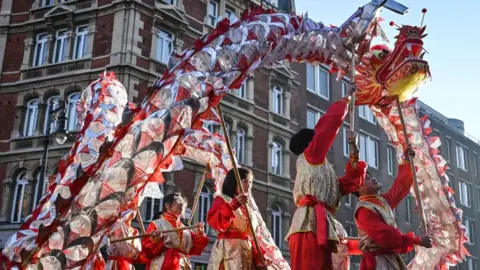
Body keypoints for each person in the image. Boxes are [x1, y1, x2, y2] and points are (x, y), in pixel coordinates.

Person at [286, 84, 368, 270]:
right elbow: (328, 127)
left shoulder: (321, 169)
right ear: (310, 143)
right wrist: (345, 100)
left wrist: (353, 150)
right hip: (308, 226)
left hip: (320, 225)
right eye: (316, 139)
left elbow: (350, 183)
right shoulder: (311, 156)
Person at [353, 148, 433, 269]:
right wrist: (416, 240)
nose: (373, 178)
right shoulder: (363, 211)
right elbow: (385, 235)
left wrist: (407, 161)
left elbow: (399, 187)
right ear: (359, 188)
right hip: (378, 262)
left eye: (371, 177)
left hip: (391, 259)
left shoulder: (381, 201)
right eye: (368, 179)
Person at [207, 167, 267, 270]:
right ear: (234, 182)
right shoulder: (222, 199)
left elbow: (254, 237)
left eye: (250, 182)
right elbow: (215, 222)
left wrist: (259, 260)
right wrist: (233, 205)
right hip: (228, 253)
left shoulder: (250, 209)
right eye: (244, 181)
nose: (248, 186)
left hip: (247, 256)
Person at [141, 192, 209, 270]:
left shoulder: (185, 229)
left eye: (182, 200)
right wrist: (153, 240)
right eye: (177, 199)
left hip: (183, 266)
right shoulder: (156, 224)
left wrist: (200, 233)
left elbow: (196, 246)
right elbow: (146, 250)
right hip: (163, 265)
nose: (181, 202)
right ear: (167, 205)